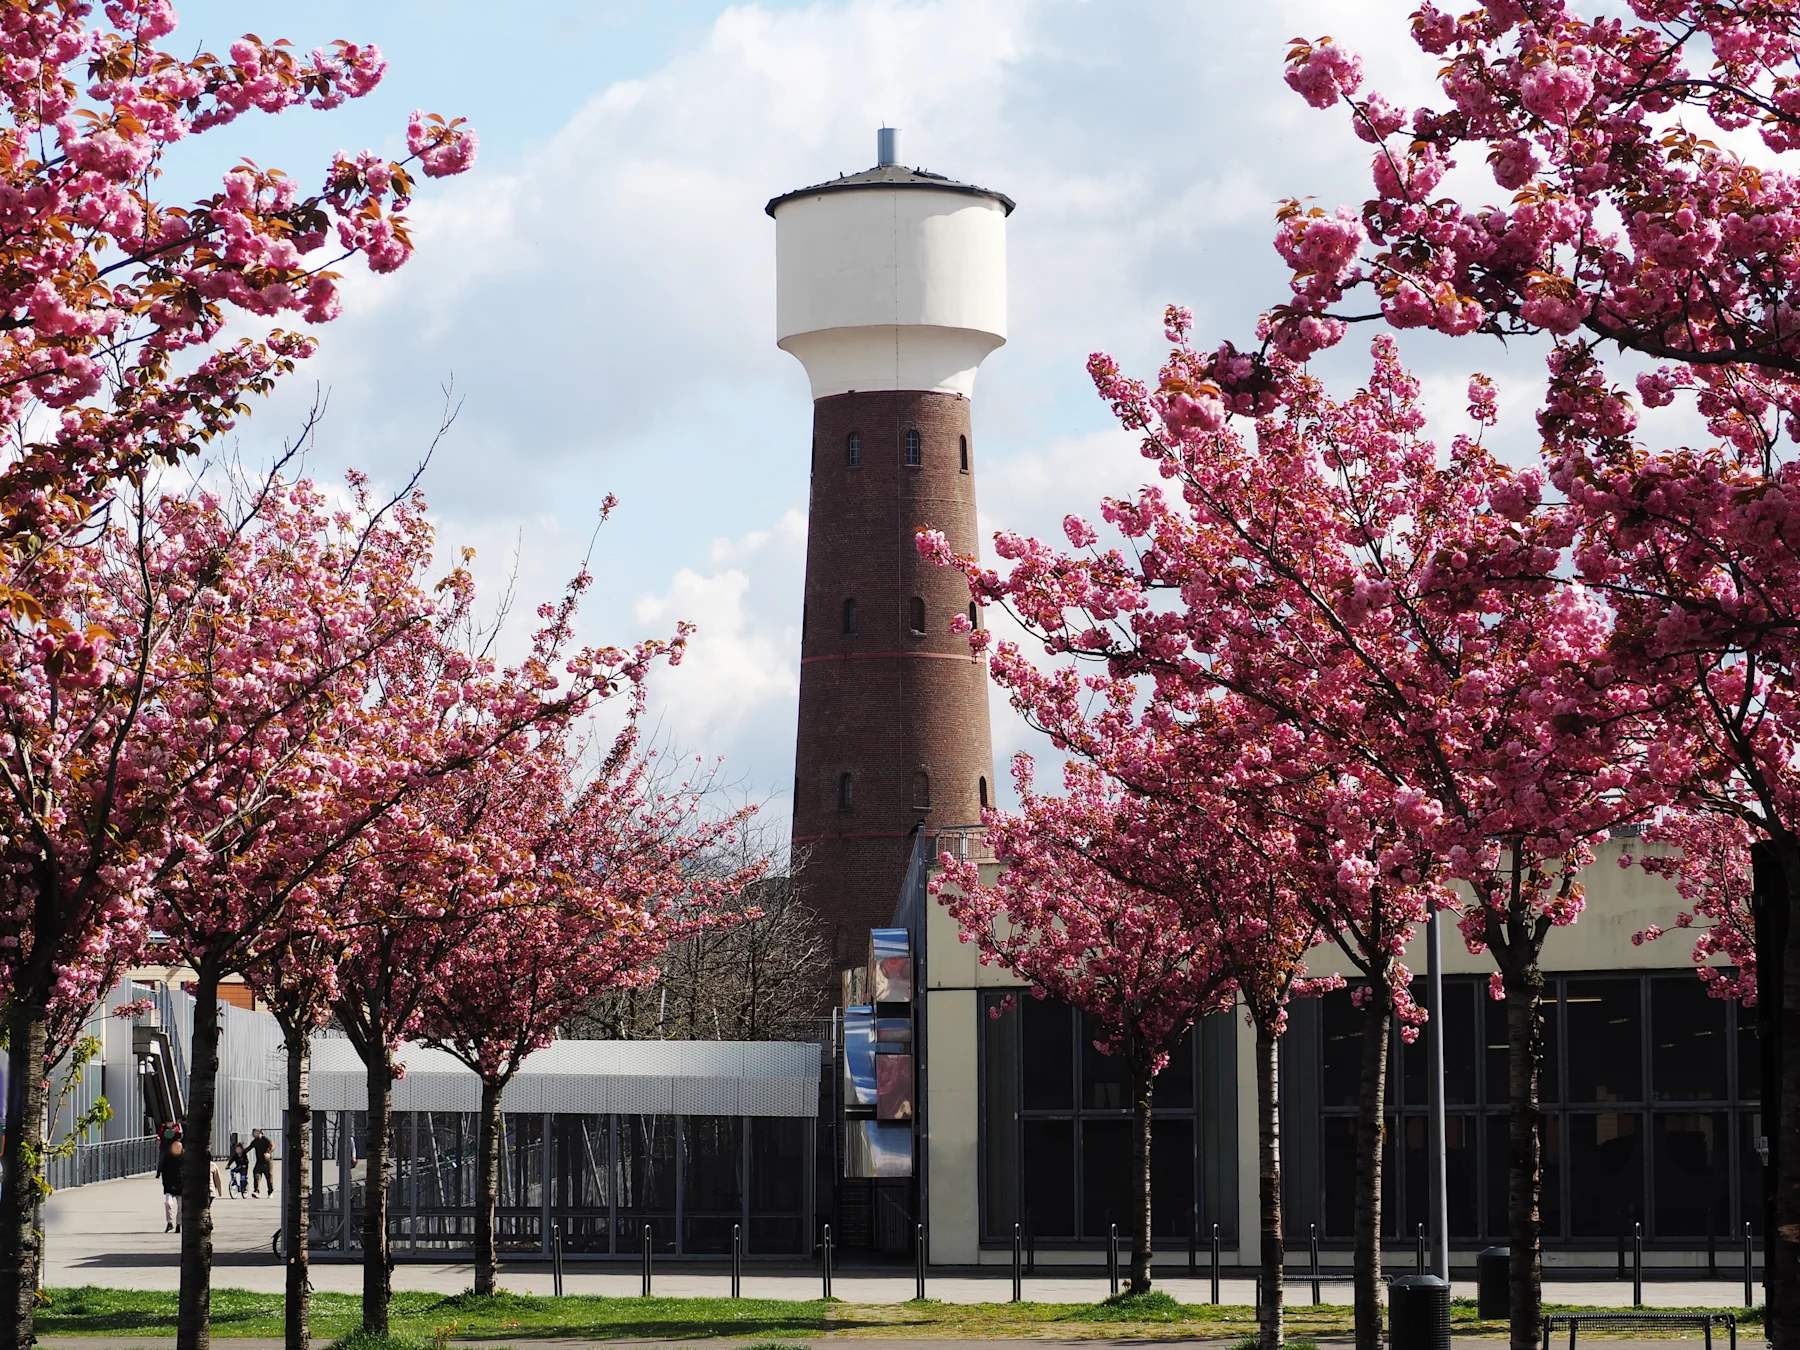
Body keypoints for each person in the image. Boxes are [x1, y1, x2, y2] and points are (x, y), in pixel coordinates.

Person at [157, 1141, 184, 1232]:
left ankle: (179, 1224)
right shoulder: (168, 1158)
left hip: (181, 1186)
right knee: (168, 1203)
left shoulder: (184, 1159)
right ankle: (169, 1222)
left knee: (181, 1206)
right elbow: (163, 1171)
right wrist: (165, 1183)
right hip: (170, 1185)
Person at [249, 1128, 273, 1198]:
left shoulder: (265, 1139)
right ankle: (256, 1191)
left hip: (267, 1162)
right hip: (259, 1162)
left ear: (260, 1133)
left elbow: (272, 1145)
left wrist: (268, 1153)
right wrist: (241, 1153)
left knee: (269, 1177)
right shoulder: (255, 1142)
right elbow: (249, 1148)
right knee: (256, 1175)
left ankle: (270, 1192)